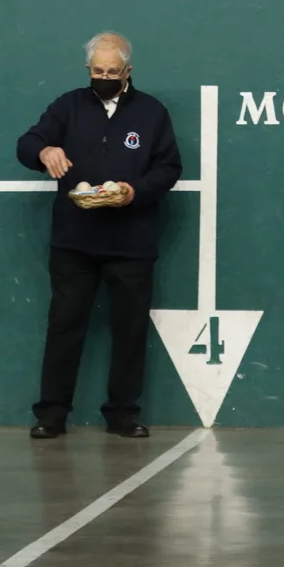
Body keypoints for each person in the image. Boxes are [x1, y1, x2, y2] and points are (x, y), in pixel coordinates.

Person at [17, 31, 182, 439]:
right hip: (74, 241)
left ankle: (122, 413)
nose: (104, 78)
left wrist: (133, 193)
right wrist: (43, 151)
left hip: (132, 243)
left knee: (130, 331)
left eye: (112, 72)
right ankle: (52, 413)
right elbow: (27, 142)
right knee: (64, 326)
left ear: (127, 71)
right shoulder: (68, 106)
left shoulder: (152, 112)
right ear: (87, 69)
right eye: (97, 71)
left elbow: (169, 167)